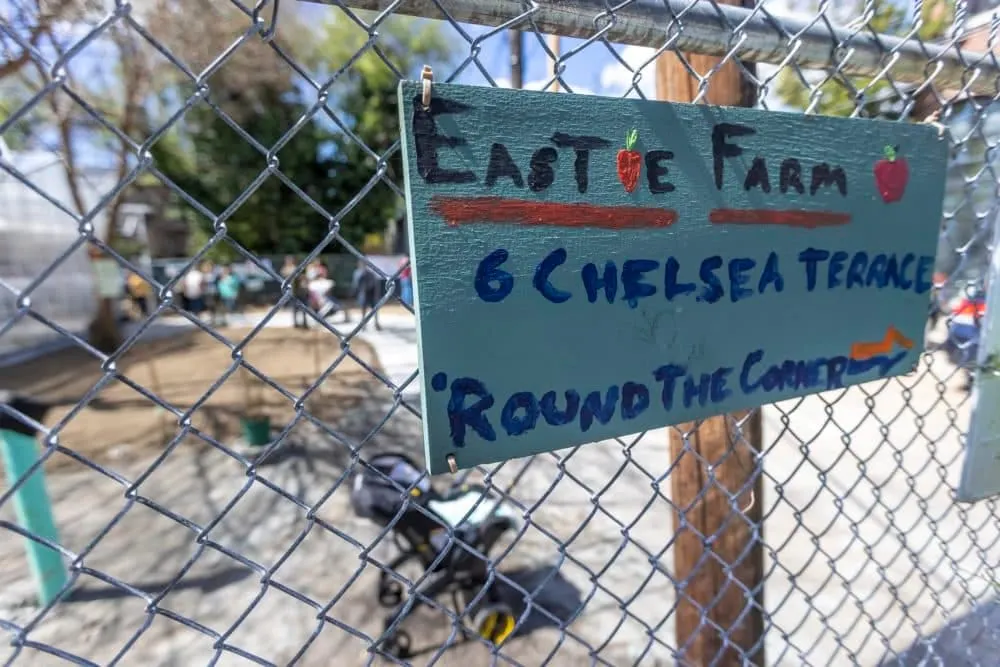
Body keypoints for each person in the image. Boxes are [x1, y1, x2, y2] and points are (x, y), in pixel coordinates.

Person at [353, 259, 383, 331]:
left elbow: (375, 284)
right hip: (363, 293)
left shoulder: (370, 273)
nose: (363, 266)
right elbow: (356, 284)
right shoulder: (357, 273)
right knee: (363, 310)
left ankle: (376, 323)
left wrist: (375, 293)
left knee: (374, 309)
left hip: (370, 294)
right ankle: (363, 325)